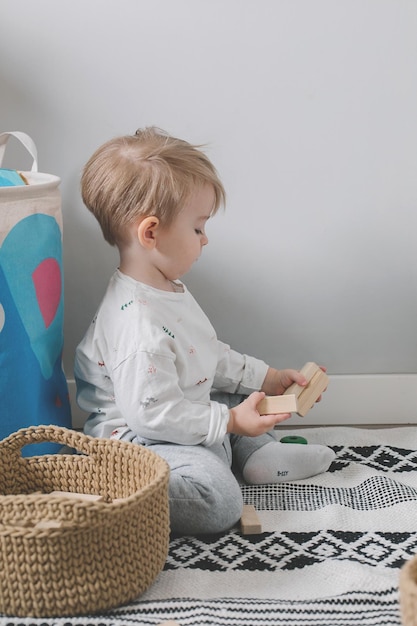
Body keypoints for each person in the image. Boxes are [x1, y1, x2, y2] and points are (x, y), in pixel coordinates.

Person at [74, 127, 335, 535]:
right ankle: (126, 497)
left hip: (174, 415)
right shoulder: (137, 327)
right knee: (219, 500)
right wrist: (229, 422)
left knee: (239, 394)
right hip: (143, 444)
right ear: (151, 232)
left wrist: (268, 379)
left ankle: (257, 457)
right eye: (197, 228)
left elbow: (206, 355)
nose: (206, 239)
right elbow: (152, 417)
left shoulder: (166, 290)